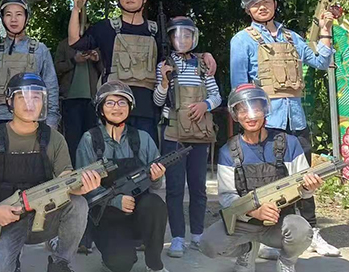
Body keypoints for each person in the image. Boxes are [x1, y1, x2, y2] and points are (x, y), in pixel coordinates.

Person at [229, 0, 340, 258]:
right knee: (269, 182)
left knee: (307, 178)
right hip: (265, 122)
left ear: (275, 4)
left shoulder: (291, 37)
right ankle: (269, 237)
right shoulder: (241, 40)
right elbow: (239, 88)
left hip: (296, 120)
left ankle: (312, 233)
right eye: (255, 4)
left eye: (266, 1)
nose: (261, 7)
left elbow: (320, 62)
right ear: (247, 10)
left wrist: (325, 30)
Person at [0, 73, 102, 272]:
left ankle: (60, 262)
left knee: (78, 204)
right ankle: (13, 259)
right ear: (9, 101)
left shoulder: (54, 138)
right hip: (7, 219)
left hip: (46, 217)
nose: (30, 103)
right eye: (22, 97)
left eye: (36, 97)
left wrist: (83, 187)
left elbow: (66, 180)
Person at [68, 0, 216, 142]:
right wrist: (76, 9)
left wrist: (203, 55)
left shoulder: (157, 30)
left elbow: (179, 53)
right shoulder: (106, 28)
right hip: (113, 106)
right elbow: (75, 42)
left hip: (147, 109)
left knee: (146, 155)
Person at [200, 84, 324, 272]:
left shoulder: (289, 143)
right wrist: (254, 211)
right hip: (243, 223)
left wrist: (309, 188)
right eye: (243, 111)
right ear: (235, 115)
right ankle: (248, 249)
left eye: (256, 109)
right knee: (208, 244)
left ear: (265, 111)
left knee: (301, 230)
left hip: (280, 221)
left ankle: (287, 260)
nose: (250, 116)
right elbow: (227, 197)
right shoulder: (228, 152)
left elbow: (303, 191)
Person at [76, 81, 169, 272]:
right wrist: (116, 201)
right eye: (110, 103)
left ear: (130, 107)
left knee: (155, 204)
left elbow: (156, 185)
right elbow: (84, 188)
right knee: (121, 264)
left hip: (139, 211)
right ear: (101, 109)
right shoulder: (90, 140)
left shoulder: (143, 138)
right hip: (106, 215)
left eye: (122, 103)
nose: (116, 108)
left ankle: (154, 264)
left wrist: (157, 177)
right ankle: (114, 252)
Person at [153, 16, 221, 257]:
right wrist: (164, 82)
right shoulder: (165, 65)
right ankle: (178, 238)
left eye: (187, 35)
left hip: (199, 134)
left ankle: (198, 235)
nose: (181, 39)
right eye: (176, 35)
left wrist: (205, 105)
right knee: (174, 188)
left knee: (198, 187)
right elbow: (157, 101)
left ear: (194, 38)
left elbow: (217, 96)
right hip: (173, 134)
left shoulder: (203, 65)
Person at [0, 0, 60, 129]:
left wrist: (51, 122)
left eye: (19, 14)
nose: (14, 19)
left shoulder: (40, 49)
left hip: (31, 116)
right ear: (2, 18)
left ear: (26, 17)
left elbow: (51, 86)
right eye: (8, 15)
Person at [54, 37, 102, 161]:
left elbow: (106, 70)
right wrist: (73, 60)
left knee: (92, 137)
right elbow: (56, 68)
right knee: (72, 138)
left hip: (92, 100)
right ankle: (72, 167)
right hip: (70, 99)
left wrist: (97, 60)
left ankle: (92, 167)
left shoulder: (96, 44)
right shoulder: (64, 44)